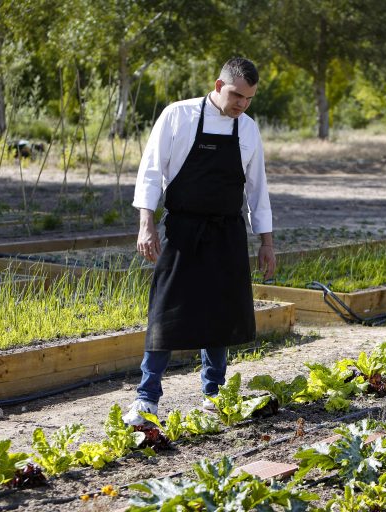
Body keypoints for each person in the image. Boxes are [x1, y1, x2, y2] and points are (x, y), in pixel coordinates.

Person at [123, 57, 276, 426]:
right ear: (220, 86)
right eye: (238, 95)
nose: (242, 104)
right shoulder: (178, 116)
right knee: (164, 311)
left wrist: (266, 242)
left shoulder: (249, 129)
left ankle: (214, 394)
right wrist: (147, 224)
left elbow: (258, 189)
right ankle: (147, 398)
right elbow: (151, 171)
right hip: (183, 229)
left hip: (227, 231)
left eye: (249, 98)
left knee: (220, 314)